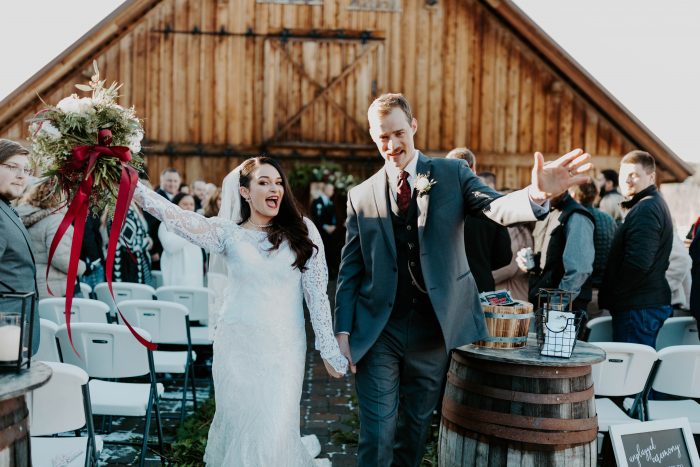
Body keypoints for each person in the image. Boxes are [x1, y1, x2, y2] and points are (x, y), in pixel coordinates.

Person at [334, 93, 591, 466]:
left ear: (414, 126)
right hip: (378, 330)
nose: (391, 145)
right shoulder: (360, 195)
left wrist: (536, 194)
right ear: (372, 136)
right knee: (376, 434)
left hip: (433, 329)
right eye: (382, 137)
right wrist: (342, 330)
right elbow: (350, 269)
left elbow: (495, 207)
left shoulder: (452, 174)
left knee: (414, 430)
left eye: (398, 133)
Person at [133, 156, 347, 466]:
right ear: (244, 192)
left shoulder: (303, 230)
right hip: (237, 347)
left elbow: (317, 294)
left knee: (274, 425)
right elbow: (175, 217)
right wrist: (134, 188)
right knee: (242, 424)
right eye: (263, 182)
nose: (274, 189)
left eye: (278, 183)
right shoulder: (226, 232)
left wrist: (327, 346)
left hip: (283, 348)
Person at [599, 150, 673, 348]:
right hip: (642, 304)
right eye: (624, 175)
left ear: (651, 177)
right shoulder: (648, 204)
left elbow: (638, 263)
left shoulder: (646, 209)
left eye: (634, 175)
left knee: (632, 375)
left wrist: (616, 294)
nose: (627, 180)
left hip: (638, 307)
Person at [446, 148, 511, 292]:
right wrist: (482, 263)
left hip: (446, 288)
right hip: (480, 286)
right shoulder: (491, 205)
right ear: (473, 169)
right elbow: (504, 257)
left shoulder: (435, 206)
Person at [519, 191, 595, 312]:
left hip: (565, 311)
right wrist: (529, 262)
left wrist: (555, 305)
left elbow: (579, 270)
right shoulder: (547, 212)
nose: (543, 192)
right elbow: (549, 262)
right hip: (543, 304)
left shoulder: (577, 216)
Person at [0, 139, 39, 354]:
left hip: (16, 333)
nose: (22, 175)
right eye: (12, 166)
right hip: (5, 335)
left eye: (26, 169)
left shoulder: (5, 207)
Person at [17, 180, 87, 300]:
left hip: (33, 284)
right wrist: (81, 267)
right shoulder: (56, 221)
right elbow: (59, 257)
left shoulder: (23, 218)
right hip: (58, 289)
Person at [158, 193, 204, 287]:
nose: (189, 207)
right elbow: (170, 246)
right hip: (175, 275)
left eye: (191, 204)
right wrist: (191, 231)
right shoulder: (167, 224)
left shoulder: (196, 224)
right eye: (185, 204)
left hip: (194, 276)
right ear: (176, 205)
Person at [144, 168, 181, 270]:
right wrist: (153, 251)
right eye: (169, 180)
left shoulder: (177, 199)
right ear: (162, 181)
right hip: (158, 252)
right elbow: (149, 225)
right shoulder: (156, 199)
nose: (172, 184)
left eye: (175, 181)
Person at [109, 202, 153, 286]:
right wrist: (147, 242)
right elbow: (129, 243)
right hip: (129, 268)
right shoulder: (124, 211)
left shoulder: (125, 208)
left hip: (129, 266)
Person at [492, 222, 534, 302]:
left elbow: (509, 267)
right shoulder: (522, 228)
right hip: (513, 297)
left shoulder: (514, 229)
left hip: (510, 299)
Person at [310, 182, 337, 275]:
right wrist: (325, 227)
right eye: (331, 189)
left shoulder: (331, 202)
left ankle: (331, 270)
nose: (332, 192)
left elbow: (333, 216)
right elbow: (316, 217)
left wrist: (333, 225)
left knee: (331, 250)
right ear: (325, 190)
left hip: (331, 232)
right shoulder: (317, 202)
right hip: (321, 232)